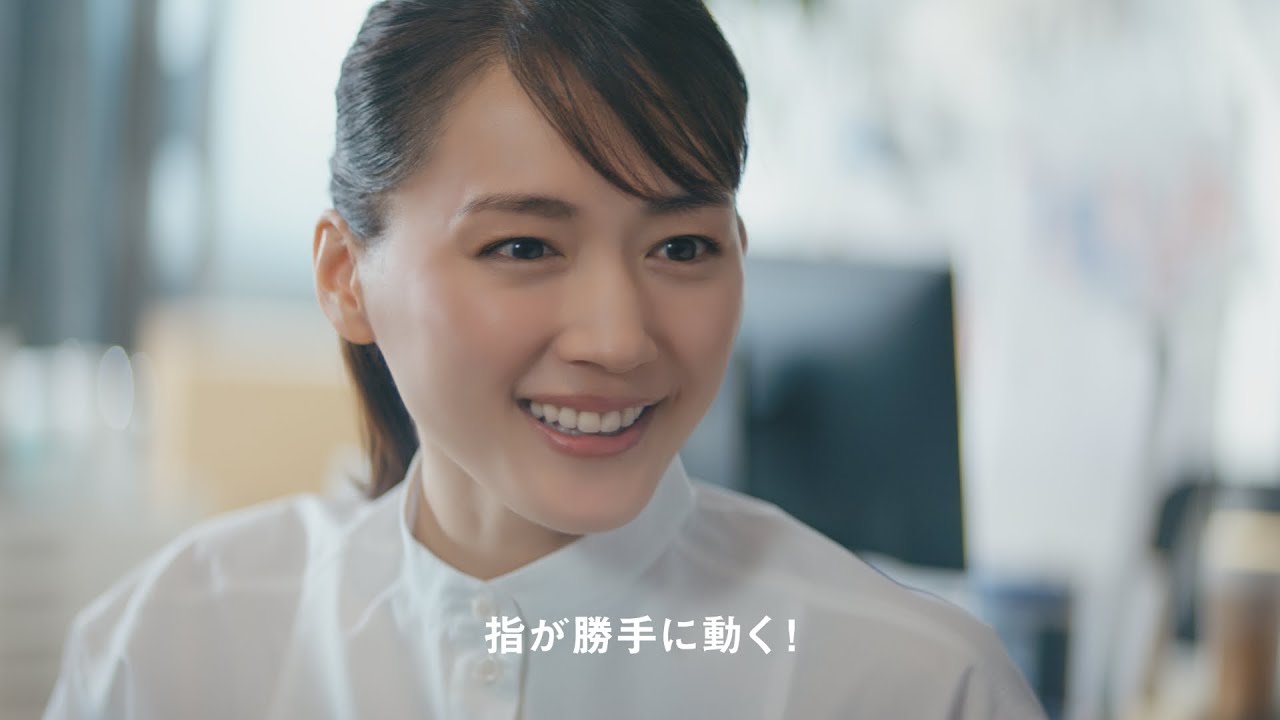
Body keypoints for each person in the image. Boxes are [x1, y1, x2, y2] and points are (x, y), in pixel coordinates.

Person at [44, 1, 1048, 717]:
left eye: (681, 248)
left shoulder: (913, 686)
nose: (617, 339)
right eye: (523, 246)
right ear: (347, 277)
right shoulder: (172, 649)